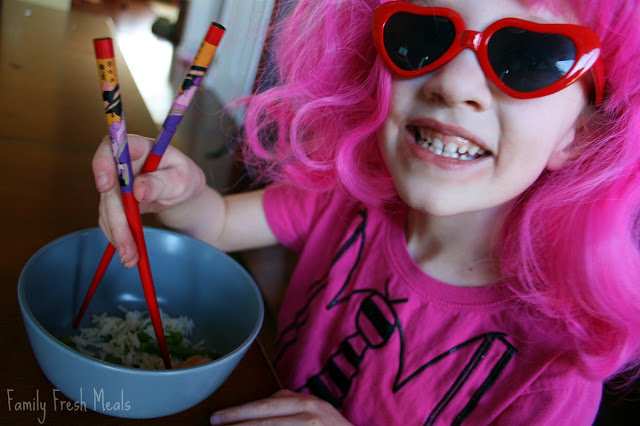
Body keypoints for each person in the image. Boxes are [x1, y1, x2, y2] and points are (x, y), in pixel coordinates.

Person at [92, 0, 640, 424]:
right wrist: (179, 191)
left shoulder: (552, 373)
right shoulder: (348, 204)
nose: (452, 84)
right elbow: (215, 223)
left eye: (528, 58)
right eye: (422, 36)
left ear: (580, 133)